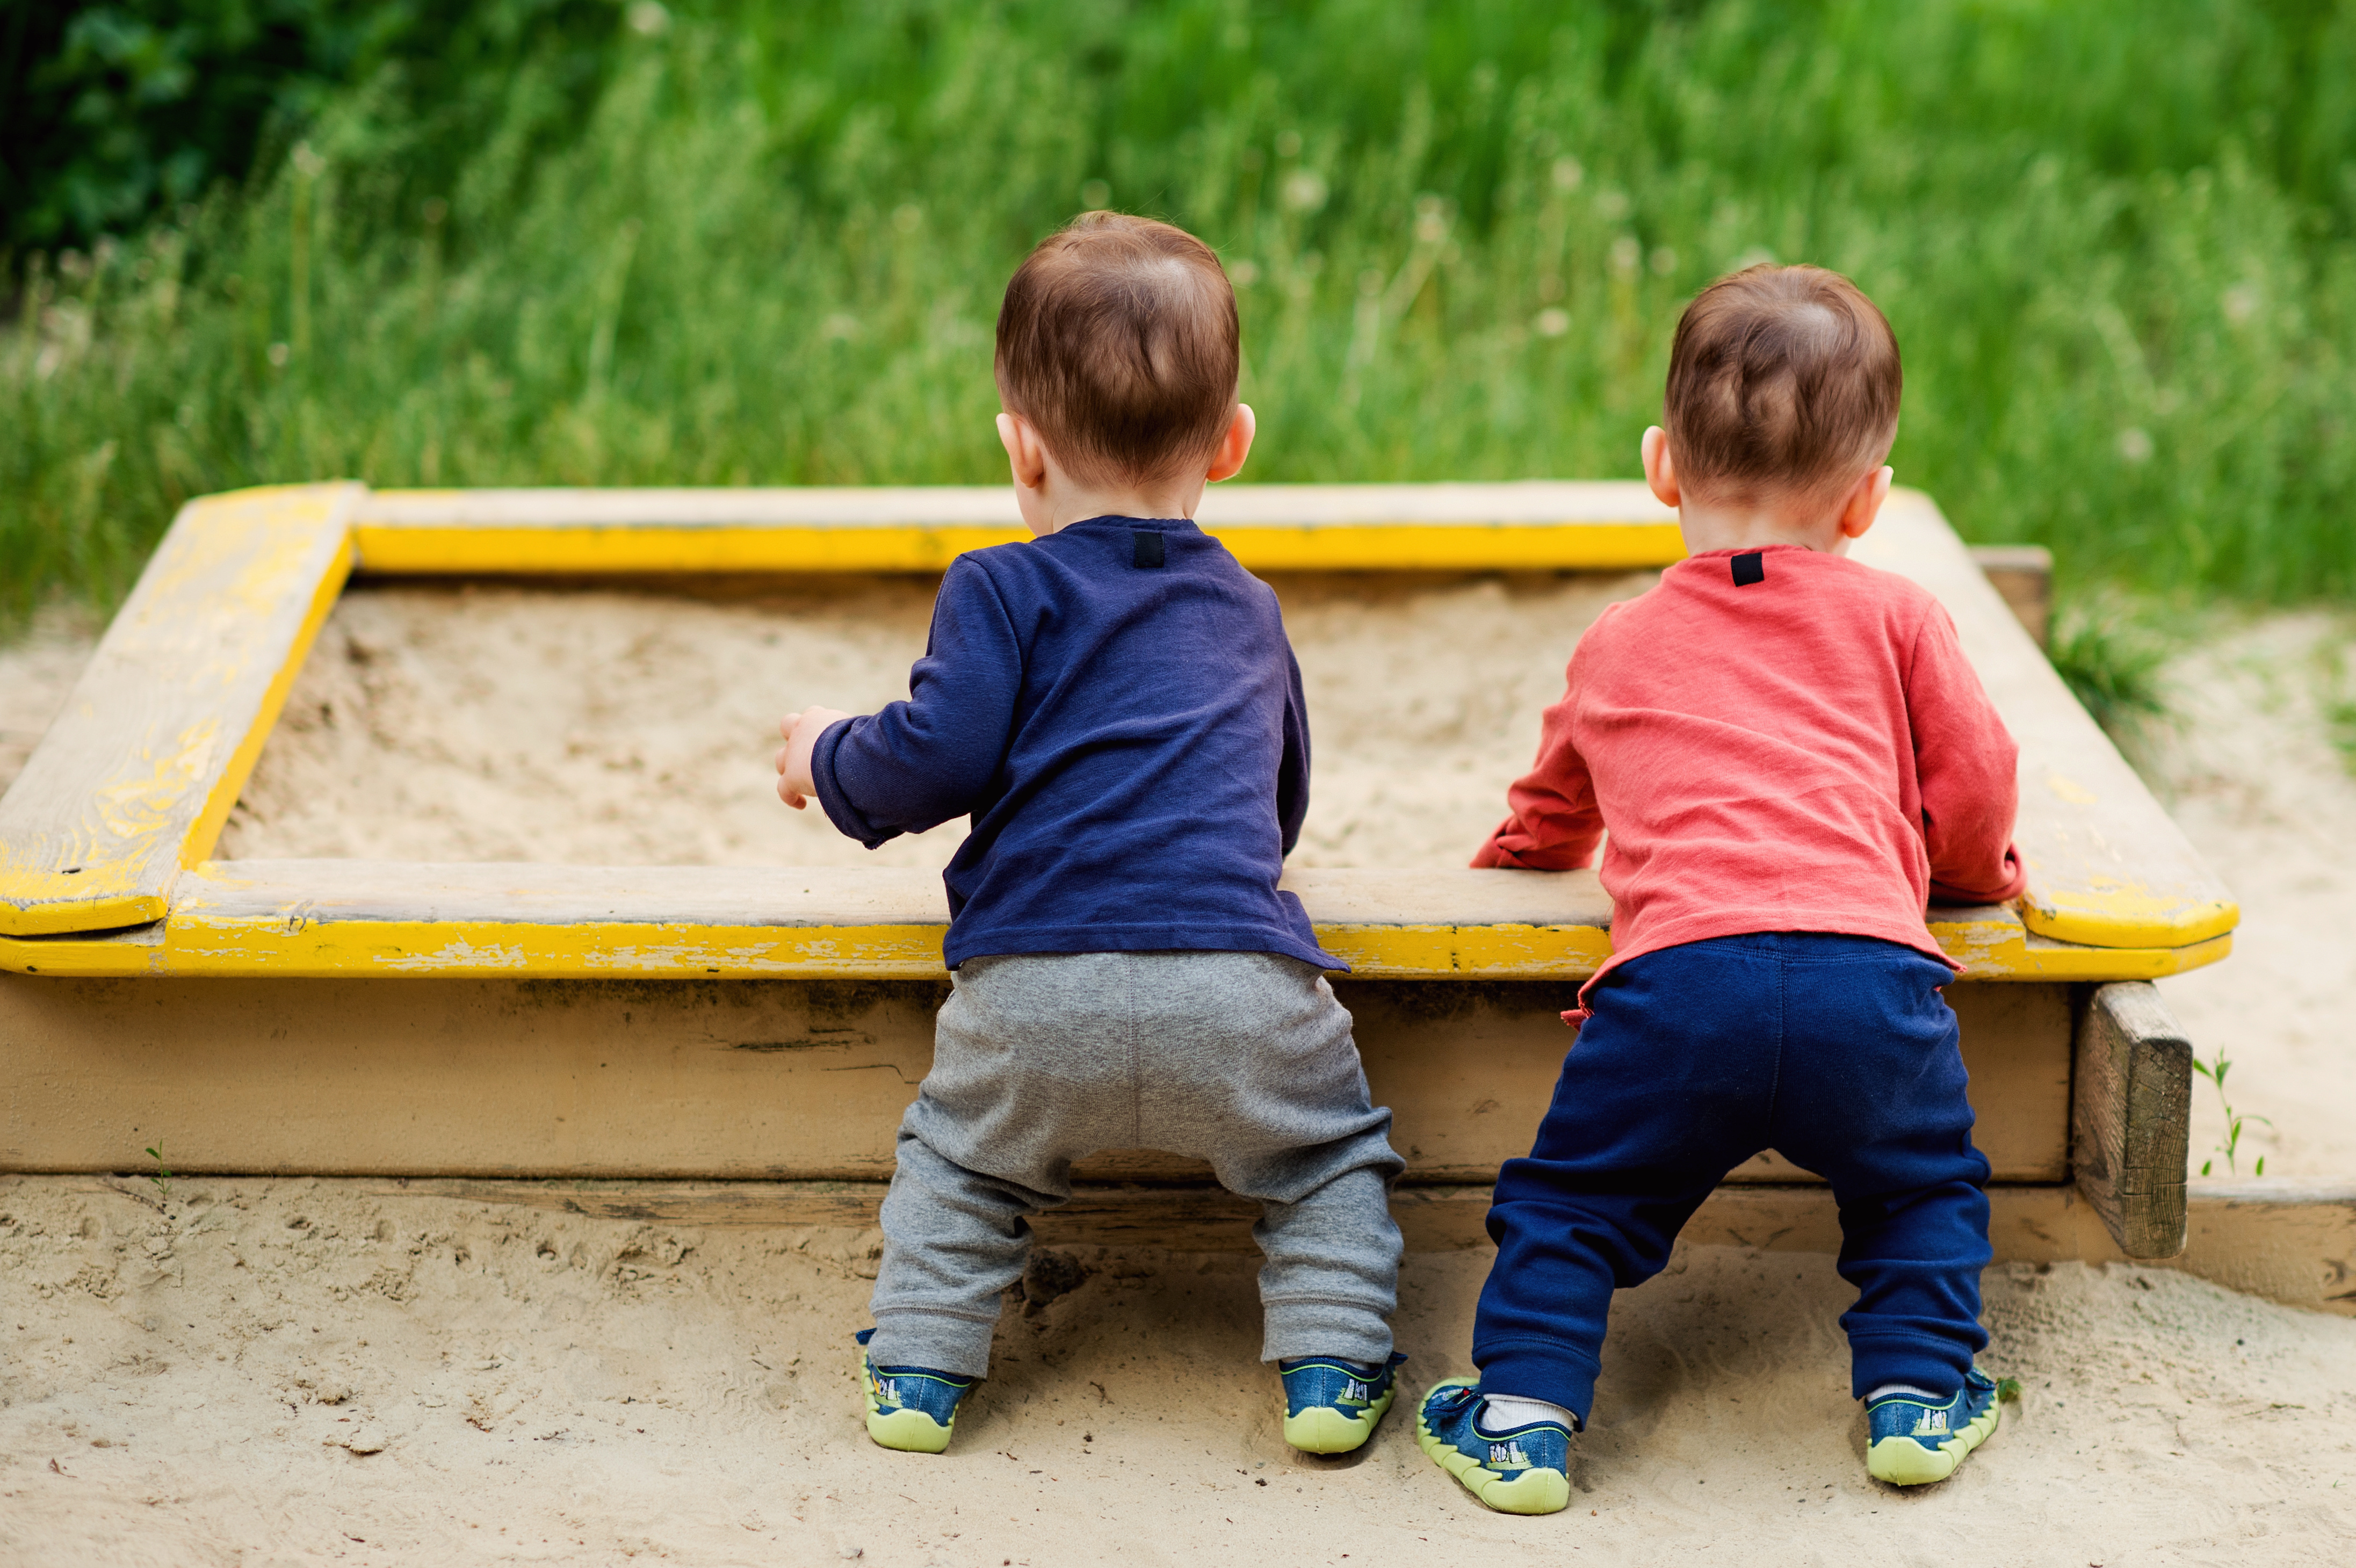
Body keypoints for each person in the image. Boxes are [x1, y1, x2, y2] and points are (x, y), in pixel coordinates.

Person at [774, 212, 1407, 1458]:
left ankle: (916, 1364)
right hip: (1240, 992)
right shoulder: (1249, 602)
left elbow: (932, 755)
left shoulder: (997, 586)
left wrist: (822, 753)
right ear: (1233, 445)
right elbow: (1281, 796)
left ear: (1019, 446)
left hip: (1032, 991)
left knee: (960, 1160)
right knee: (1328, 1159)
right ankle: (1332, 1365)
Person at [1415, 264, 2028, 1513]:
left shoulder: (1620, 638)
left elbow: (1555, 797)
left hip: (1677, 988)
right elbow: (1972, 777)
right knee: (1919, 1186)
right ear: (1868, 500)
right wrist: (1972, 875)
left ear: (1659, 467)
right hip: (1874, 982)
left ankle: (1524, 1415)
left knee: (1576, 1198)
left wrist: (1512, 865)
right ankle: (1914, 1392)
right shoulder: (1900, 617)